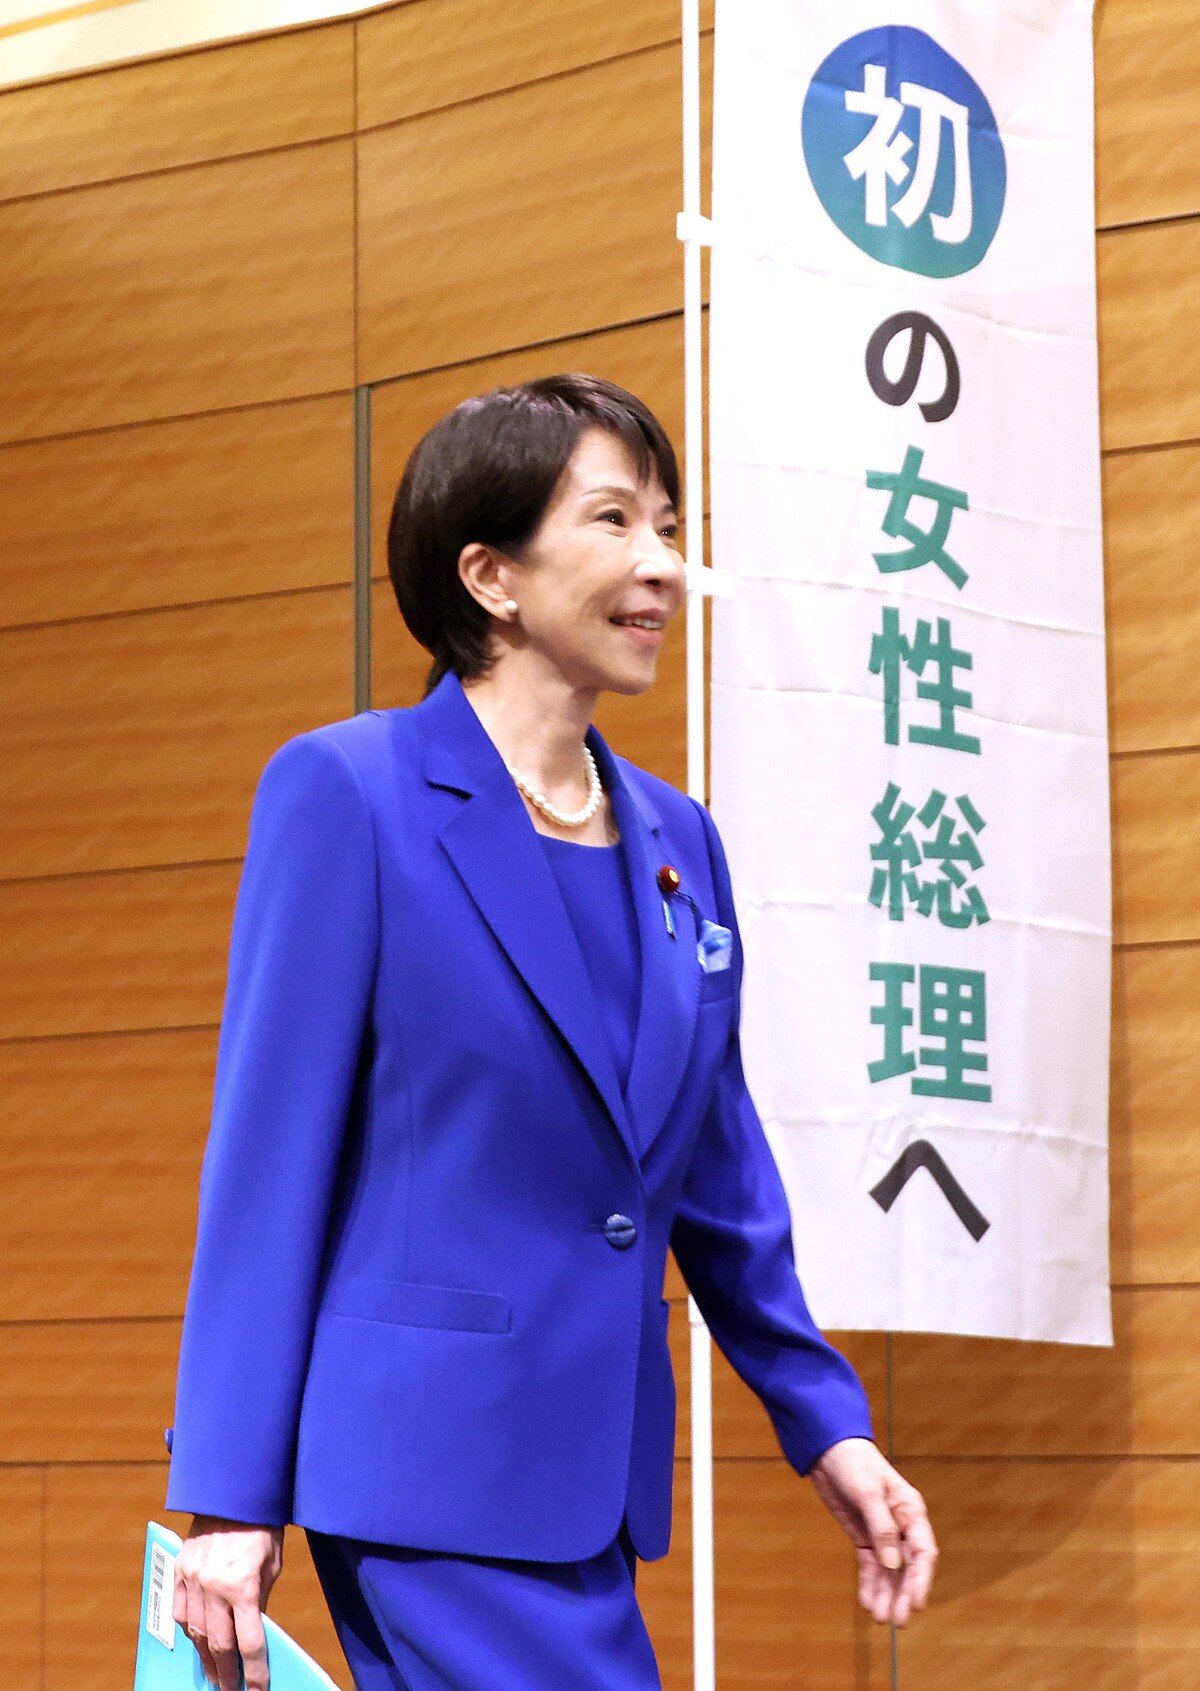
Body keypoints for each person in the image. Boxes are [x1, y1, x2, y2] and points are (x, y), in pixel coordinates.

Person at [164, 375, 936, 1691]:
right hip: (418, 1479)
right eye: (617, 521)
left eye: (669, 527)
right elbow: (267, 1164)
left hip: (588, 1483)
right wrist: (231, 1500)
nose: (665, 565)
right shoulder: (349, 793)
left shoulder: (680, 839)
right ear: (492, 577)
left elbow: (716, 1174)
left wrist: (826, 1422)